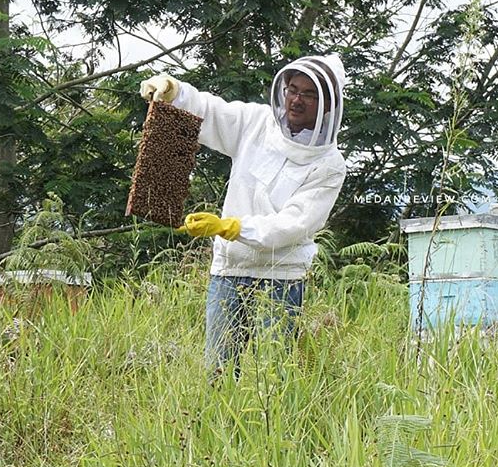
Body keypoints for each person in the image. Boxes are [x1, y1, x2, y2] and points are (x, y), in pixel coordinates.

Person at [139, 54, 346, 375]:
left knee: (272, 378)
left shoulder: (329, 165)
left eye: (309, 94)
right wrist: (175, 91)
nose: (297, 100)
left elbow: (295, 223)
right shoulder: (257, 124)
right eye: (293, 89)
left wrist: (232, 226)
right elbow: (211, 112)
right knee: (217, 374)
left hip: (282, 279)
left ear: (328, 104)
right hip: (229, 270)